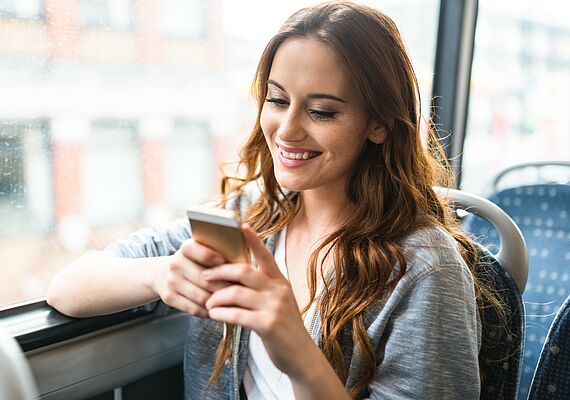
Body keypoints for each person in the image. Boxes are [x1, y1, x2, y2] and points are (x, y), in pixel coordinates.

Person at [47, 2, 489, 399]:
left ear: (378, 124)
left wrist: (298, 355)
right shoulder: (249, 217)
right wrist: (162, 274)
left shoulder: (425, 268)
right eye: (277, 100)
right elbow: (68, 288)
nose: (287, 130)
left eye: (321, 112)